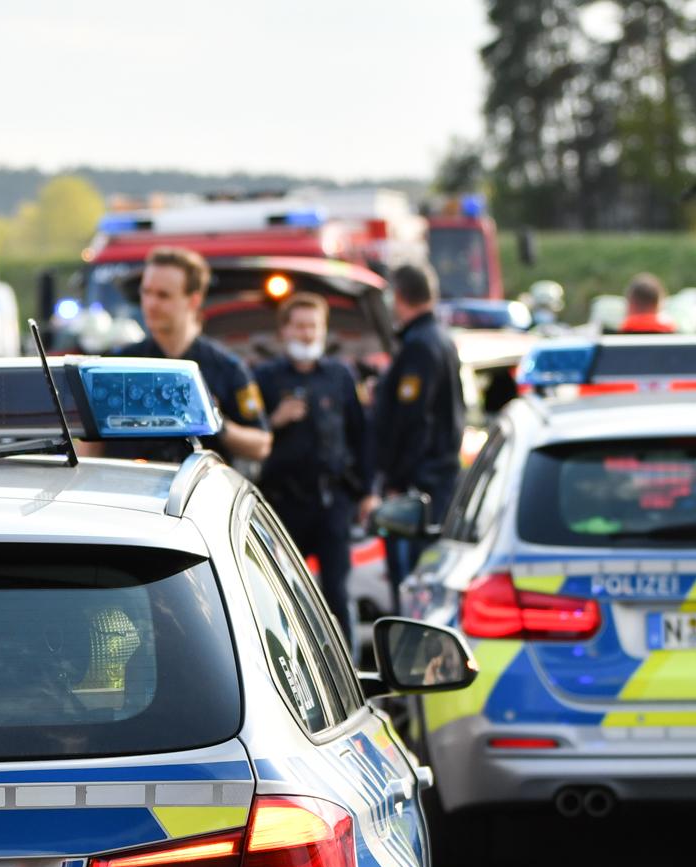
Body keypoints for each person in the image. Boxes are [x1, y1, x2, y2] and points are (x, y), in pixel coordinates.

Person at [253, 293, 371, 645]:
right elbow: (247, 434)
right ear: (284, 331)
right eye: (300, 326)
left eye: (313, 326)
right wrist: (276, 419)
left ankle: (347, 671)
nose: (307, 334)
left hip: (332, 499)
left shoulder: (339, 375)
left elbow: (361, 434)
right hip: (284, 503)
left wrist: (366, 492)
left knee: (336, 590)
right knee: (283, 590)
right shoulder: (265, 378)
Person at [115, 247, 270, 465]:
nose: (150, 304)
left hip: (199, 494)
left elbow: (261, 444)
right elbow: (89, 445)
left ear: (194, 301)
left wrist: (214, 419)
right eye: (146, 292)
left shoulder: (227, 367)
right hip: (132, 493)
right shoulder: (120, 365)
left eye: (163, 295)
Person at [370, 263, 463, 589]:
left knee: (410, 584)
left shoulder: (419, 346)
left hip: (419, 488)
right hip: (434, 482)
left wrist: (396, 480)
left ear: (399, 297)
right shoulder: (439, 338)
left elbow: (413, 421)